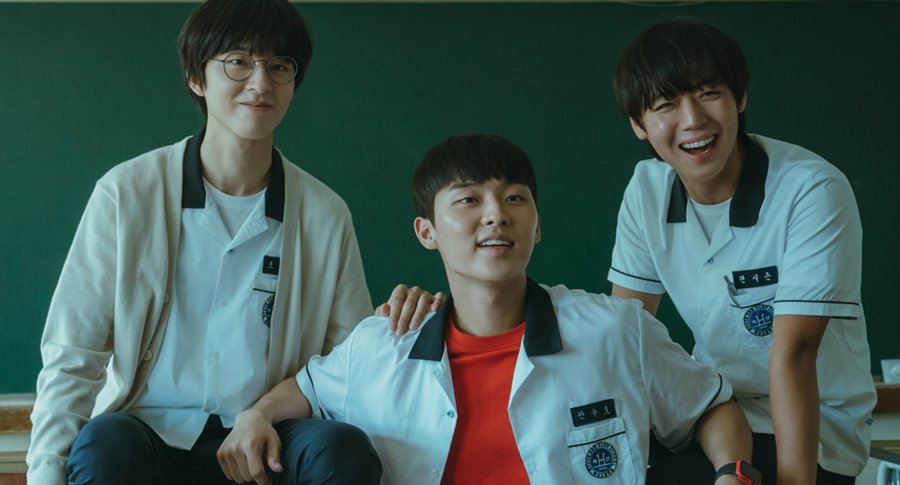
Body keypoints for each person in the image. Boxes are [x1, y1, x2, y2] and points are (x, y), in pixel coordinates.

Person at [27, 1, 436, 484]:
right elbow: (73, 356)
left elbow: (345, 368)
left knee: (342, 450)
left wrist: (396, 326)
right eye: (238, 61)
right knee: (104, 442)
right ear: (196, 78)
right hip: (150, 435)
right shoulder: (126, 195)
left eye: (279, 66)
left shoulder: (324, 215)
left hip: (267, 440)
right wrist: (45, 474)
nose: (260, 83)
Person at [218, 133, 758, 485]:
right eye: (468, 200)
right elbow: (304, 391)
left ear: (537, 225)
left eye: (515, 198)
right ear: (427, 232)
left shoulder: (615, 331)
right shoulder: (382, 346)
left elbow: (711, 406)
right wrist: (255, 416)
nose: (497, 215)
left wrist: (733, 474)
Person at [608, 17, 877, 485]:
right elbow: (627, 333)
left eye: (708, 93)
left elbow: (795, 352)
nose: (693, 119)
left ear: (740, 97)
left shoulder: (810, 189)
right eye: (666, 104)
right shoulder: (646, 191)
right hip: (713, 411)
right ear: (638, 125)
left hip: (811, 424)